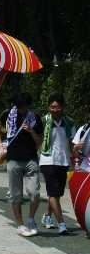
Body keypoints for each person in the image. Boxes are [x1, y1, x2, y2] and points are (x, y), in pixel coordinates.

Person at [0, 92, 44, 236]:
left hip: (30, 159)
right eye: (19, 106)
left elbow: (39, 141)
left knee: (34, 193)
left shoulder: (34, 118)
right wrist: (0, 145)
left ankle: (30, 220)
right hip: (13, 159)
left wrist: (31, 132)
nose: (21, 109)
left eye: (24, 106)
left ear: (28, 106)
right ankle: (20, 224)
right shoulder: (7, 114)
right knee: (16, 195)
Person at [38, 92, 74, 234]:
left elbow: (72, 142)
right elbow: (38, 139)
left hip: (63, 160)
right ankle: (62, 224)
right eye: (52, 107)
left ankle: (47, 216)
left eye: (57, 107)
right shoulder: (43, 121)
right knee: (53, 193)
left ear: (63, 107)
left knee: (57, 194)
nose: (54, 109)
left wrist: (75, 153)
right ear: (48, 107)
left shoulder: (69, 122)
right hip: (47, 160)